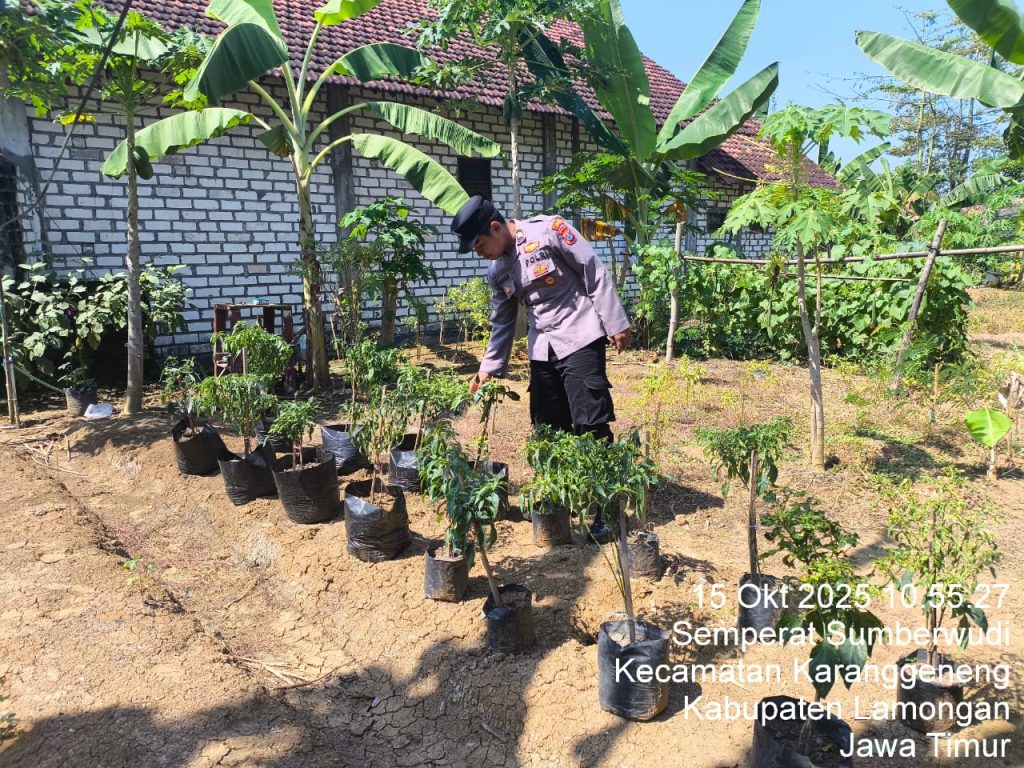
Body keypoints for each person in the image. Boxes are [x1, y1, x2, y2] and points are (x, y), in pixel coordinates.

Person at [450, 195, 631, 443]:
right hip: (542, 348)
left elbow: (593, 270)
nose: (480, 253)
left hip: (580, 335)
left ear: (495, 227)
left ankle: (599, 479)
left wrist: (616, 323)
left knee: (589, 420)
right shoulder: (497, 271)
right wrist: (488, 369)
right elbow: (502, 321)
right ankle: (561, 481)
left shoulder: (548, 230)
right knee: (547, 425)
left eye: (480, 245)